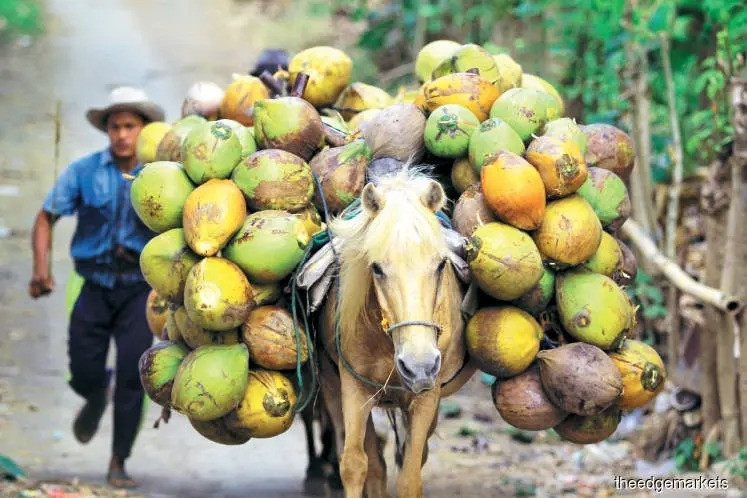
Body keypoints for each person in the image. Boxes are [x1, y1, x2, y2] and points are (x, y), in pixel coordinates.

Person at [28, 87, 165, 489]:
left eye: (130, 126)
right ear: (106, 130)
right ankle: (93, 391)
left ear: (144, 129)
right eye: (115, 126)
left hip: (139, 291)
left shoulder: (161, 174)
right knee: (83, 369)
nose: (122, 134)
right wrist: (41, 271)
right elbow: (45, 217)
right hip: (93, 284)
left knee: (131, 376)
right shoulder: (84, 171)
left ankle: (118, 461)